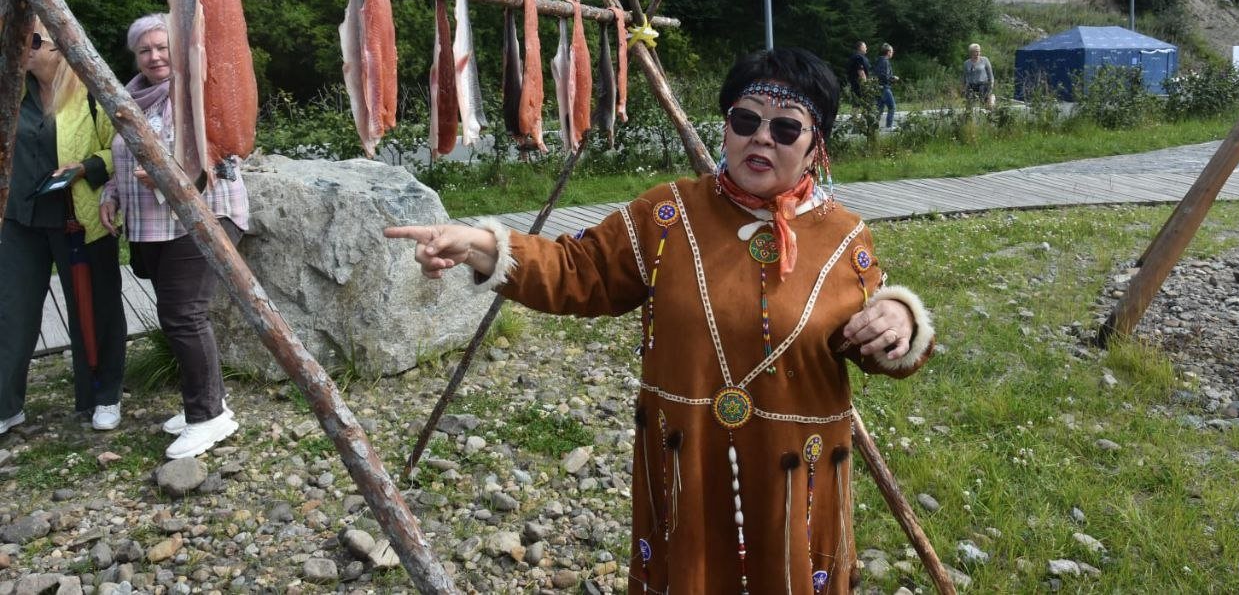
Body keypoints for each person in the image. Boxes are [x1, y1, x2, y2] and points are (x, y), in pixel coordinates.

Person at [387, 47, 935, 594]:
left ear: (816, 147)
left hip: (795, 472)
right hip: (688, 458)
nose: (761, 137)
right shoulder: (666, 215)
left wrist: (900, 320)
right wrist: (483, 244)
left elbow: (872, 340)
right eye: (746, 120)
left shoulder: (844, 236)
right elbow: (579, 270)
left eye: (786, 129)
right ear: (725, 131)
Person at [98, 13, 247, 459]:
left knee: (184, 316)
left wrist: (176, 176)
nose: (154, 56)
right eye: (145, 49)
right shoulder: (128, 98)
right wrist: (111, 193)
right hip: (155, 226)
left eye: (162, 47)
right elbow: (120, 156)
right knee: (178, 316)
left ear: (178, 49)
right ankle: (210, 402)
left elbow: (226, 158)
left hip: (203, 216)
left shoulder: (199, 92)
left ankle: (207, 417)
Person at [1, 20, 126, 436]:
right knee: (11, 312)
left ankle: (103, 396)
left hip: (81, 217)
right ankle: (6, 406)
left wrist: (88, 167)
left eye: (33, 40)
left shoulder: (90, 91)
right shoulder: (12, 91)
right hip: (20, 220)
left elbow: (123, 147)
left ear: (57, 47)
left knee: (97, 308)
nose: (24, 46)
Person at [873, 43, 899, 129]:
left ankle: (873, 126)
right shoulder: (885, 62)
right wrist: (893, 78)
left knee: (879, 109)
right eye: (891, 51)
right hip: (884, 87)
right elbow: (884, 76)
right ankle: (889, 126)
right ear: (888, 52)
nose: (892, 53)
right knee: (892, 107)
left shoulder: (878, 60)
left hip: (877, 87)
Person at [963, 43, 995, 107]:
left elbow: (990, 75)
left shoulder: (985, 60)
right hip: (971, 86)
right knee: (969, 105)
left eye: (979, 51)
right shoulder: (966, 63)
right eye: (976, 52)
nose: (978, 53)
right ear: (971, 53)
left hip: (983, 85)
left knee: (984, 104)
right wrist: (964, 87)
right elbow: (965, 76)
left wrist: (991, 85)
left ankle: (991, 98)